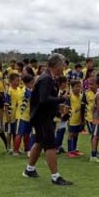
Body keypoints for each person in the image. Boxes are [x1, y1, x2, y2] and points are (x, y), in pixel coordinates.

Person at [23, 53, 72, 186]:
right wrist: (62, 99)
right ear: (57, 65)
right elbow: (44, 99)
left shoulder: (49, 78)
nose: (64, 67)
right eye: (63, 64)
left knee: (39, 142)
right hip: (42, 118)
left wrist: (57, 108)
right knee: (51, 145)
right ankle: (55, 176)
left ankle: (29, 169)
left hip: (43, 117)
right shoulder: (46, 79)